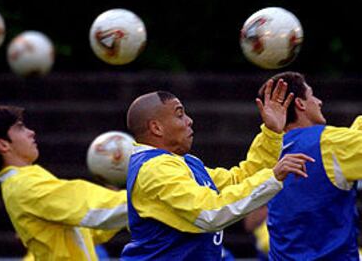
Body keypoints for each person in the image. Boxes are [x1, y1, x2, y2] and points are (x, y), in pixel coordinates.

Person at [121, 82, 314, 260]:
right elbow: (209, 212)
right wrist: (273, 177)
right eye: (180, 114)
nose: (189, 121)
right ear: (156, 128)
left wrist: (271, 134)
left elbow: (236, 181)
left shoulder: (184, 162)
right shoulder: (156, 169)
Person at [0, 105, 128, 261]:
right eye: (20, 128)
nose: (31, 132)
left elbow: (84, 231)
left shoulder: (24, 181)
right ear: (3, 144)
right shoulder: (26, 185)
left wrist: (116, 201)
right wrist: (142, 196)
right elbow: (87, 206)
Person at [258, 71, 362, 260]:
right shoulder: (329, 142)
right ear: (300, 103)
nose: (319, 101)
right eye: (312, 95)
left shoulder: (265, 150)